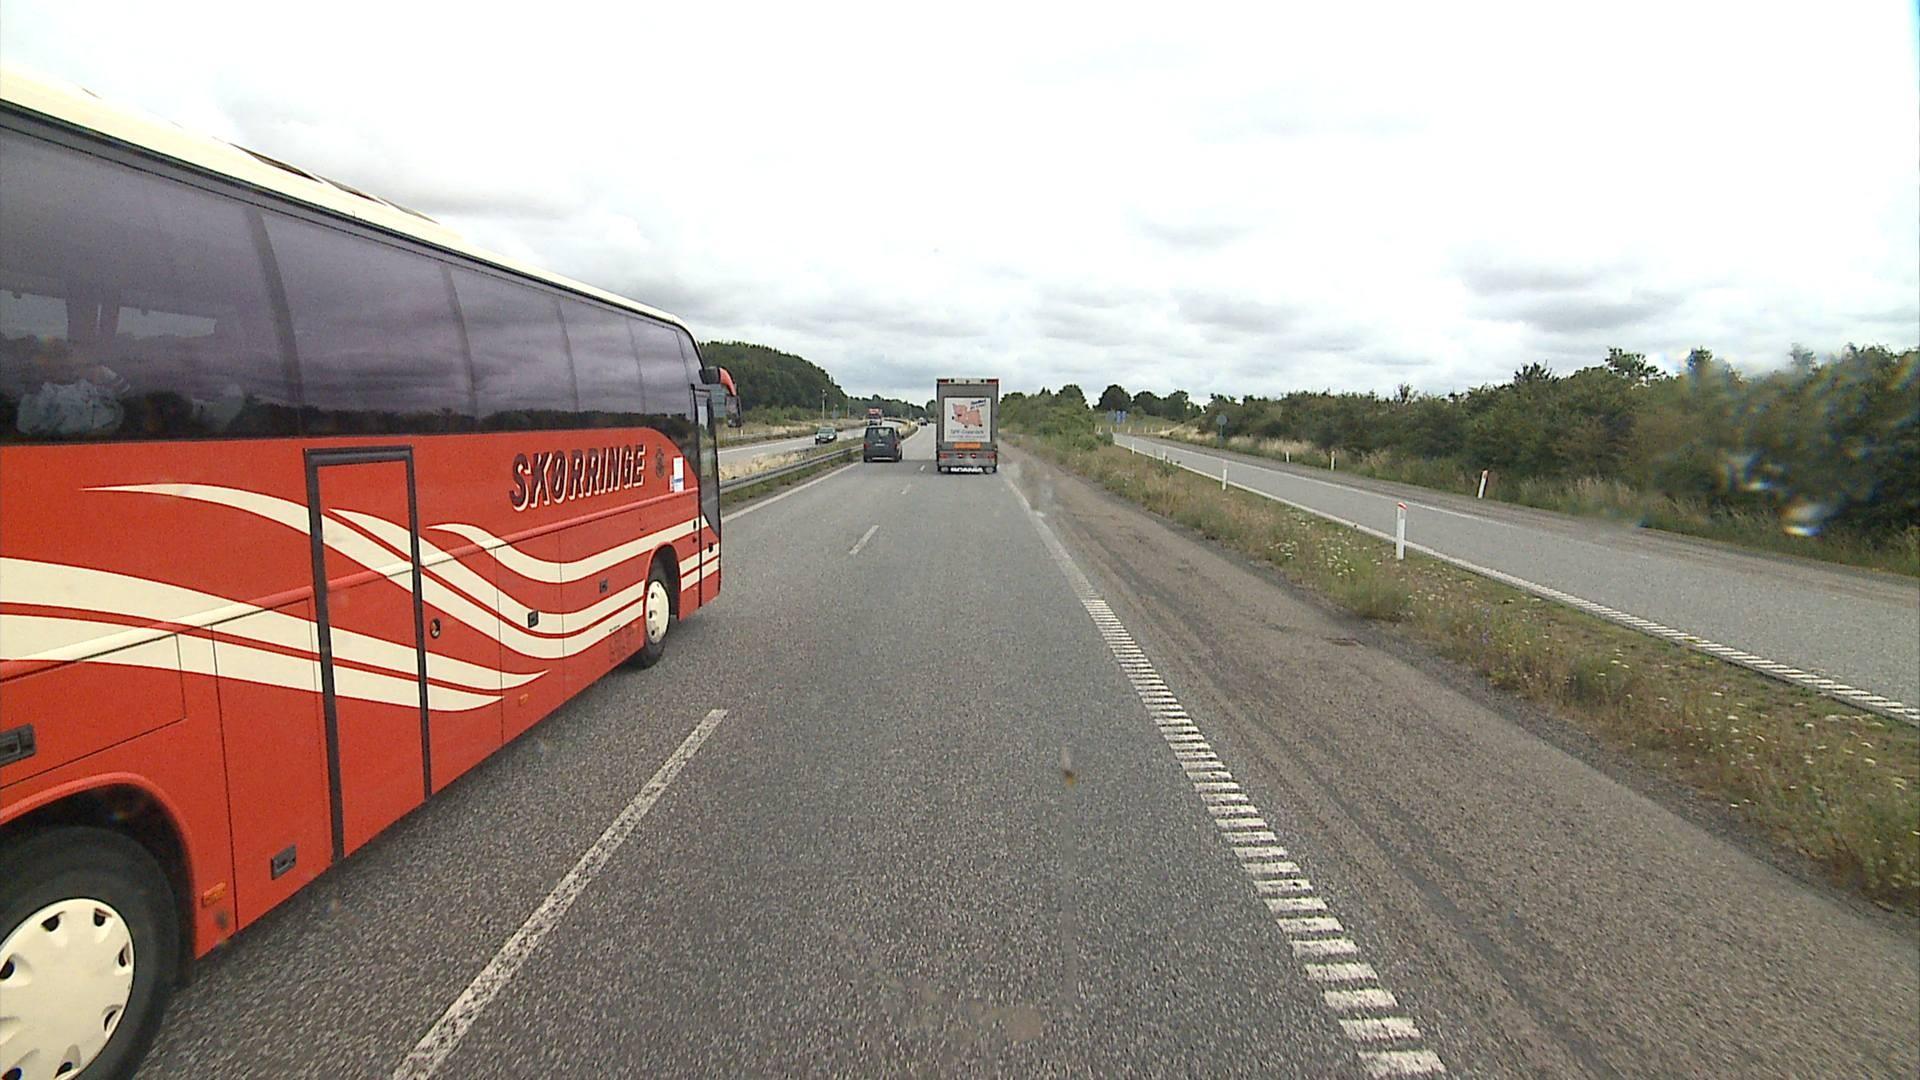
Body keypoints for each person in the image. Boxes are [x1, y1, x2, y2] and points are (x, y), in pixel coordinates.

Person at [16, 342, 127, 437]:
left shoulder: (89, 386)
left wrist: (103, 372)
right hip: (63, 444)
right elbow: (27, 426)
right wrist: (33, 392)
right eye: (60, 360)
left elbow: (126, 395)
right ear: (48, 366)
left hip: (108, 440)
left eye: (71, 361)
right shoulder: (42, 392)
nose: (68, 364)